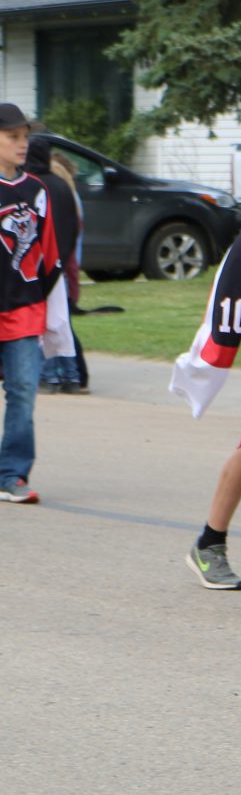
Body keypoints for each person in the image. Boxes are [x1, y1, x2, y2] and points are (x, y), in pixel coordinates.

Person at [0, 101, 72, 504]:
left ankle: (12, 475)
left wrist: (52, 312)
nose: (22, 144)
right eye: (13, 137)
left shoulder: (36, 191)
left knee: (24, 388)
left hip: (24, 310)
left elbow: (48, 255)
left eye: (25, 137)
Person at [26, 138, 84, 393]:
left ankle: (49, 376)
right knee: (61, 322)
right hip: (59, 261)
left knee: (40, 322)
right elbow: (74, 226)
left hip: (37, 263)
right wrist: (65, 254)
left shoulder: (32, 186)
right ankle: (70, 376)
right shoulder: (62, 185)